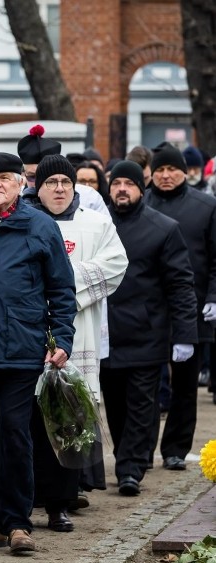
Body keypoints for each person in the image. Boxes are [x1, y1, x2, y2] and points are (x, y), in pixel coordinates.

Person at [0, 152, 76, 555]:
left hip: (23, 351)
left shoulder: (40, 226)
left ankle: (18, 523)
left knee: (15, 434)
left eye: (5, 178)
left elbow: (62, 289)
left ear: (19, 184)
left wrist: (62, 339)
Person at [30, 154, 128, 530]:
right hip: (29, 333)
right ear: (37, 188)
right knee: (29, 421)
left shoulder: (97, 224)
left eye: (65, 183)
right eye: (51, 182)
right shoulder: (25, 222)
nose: (58, 189)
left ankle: (61, 501)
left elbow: (116, 264)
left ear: (75, 187)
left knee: (69, 418)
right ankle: (30, 496)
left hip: (78, 332)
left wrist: (61, 281)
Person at [101, 160, 198, 496]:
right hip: (107, 334)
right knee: (114, 404)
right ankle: (125, 456)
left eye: (128, 184)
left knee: (142, 404)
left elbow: (180, 285)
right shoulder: (98, 224)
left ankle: (131, 467)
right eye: (116, 184)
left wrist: (185, 334)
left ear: (141, 190)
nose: (122, 190)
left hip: (147, 332)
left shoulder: (164, 228)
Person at [143, 143, 216, 470]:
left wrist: (213, 296)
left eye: (172, 169)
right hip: (146, 309)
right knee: (144, 383)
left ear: (184, 171)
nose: (166, 175)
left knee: (185, 383)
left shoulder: (206, 206)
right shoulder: (141, 203)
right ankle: (140, 450)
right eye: (159, 170)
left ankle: (175, 446)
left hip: (193, 305)